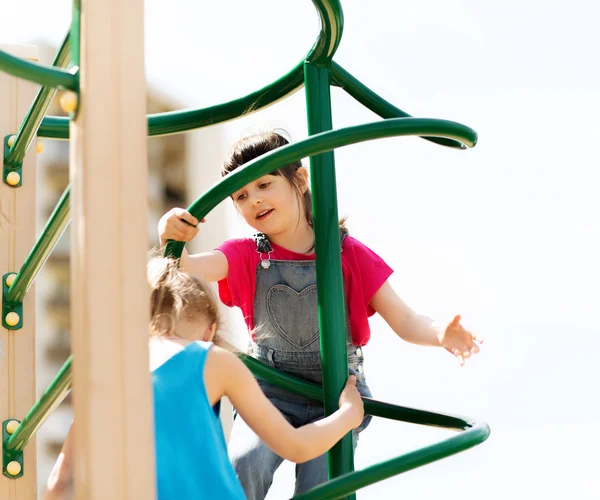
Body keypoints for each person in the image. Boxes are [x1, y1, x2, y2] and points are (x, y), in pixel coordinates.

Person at [158, 130, 483, 499]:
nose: (255, 200)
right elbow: (184, 267)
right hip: (271, 388)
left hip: (337, 392)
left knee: (321, 485)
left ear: (299, 180)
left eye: (265, 184)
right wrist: (170, 233)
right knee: (242, 466)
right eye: (242, 196)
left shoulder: (348, 254)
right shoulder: (245, 254)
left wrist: (441, 333)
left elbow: (405, 320)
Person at [42, 257, 364, 500]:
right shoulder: (212, 360)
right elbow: (296, 445)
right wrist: (349, 413)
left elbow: (59, 482)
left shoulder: (106, 373)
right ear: (209, 329)